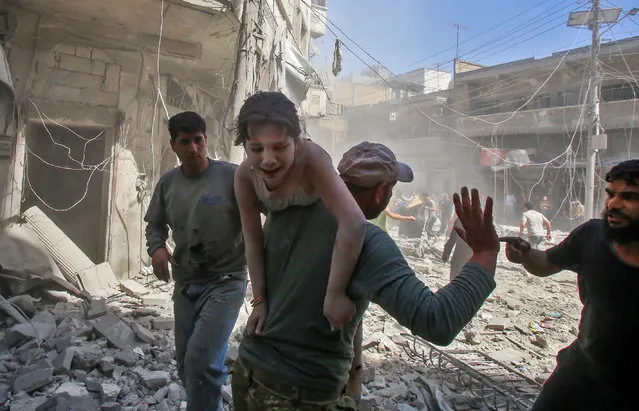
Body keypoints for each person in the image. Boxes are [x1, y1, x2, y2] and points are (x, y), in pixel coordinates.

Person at [231, 141, 500, 410]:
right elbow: (437, 320)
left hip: (249, 375)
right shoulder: (369, 244)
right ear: (381, 192)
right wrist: (485, 254)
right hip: (302, 393)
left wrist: (355, 374)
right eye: (392, 189)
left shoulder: (288, 209)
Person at [505, 159, 639, 410]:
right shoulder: (592, 235)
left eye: (629, 197)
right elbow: (545, 263)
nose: (613, 204)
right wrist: (524, 253)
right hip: (582, 370)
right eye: (611, 194)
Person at [233, 91, 366, 334]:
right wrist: (259, 302)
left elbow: (354, 222)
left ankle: (355, 367)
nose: (268, 159)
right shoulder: (244, 177)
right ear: (245, 146)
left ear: (296, 140)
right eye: (256, 148)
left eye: (280, 147)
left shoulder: (313, 160)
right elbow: (252, 240)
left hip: (324, 243)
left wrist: (335, 293)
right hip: (281, 246)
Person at [144, 111, 247, 411]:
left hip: (226, 281)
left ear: (206, 140)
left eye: (198, 140)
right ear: (173, 145)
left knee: (201, 360)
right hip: (187, 284)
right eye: (185, 142)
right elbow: (154, 224)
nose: (193, 148)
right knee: (187, 365)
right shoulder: (168, 184)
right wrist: (156, 249)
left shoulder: (231, 176)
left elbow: (265, 212)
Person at [442, 216, 473, 281]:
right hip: (472, 258)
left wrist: (445, 255)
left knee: (454, 280)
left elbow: (452, 240)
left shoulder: (460, 219)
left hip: (459, 256)